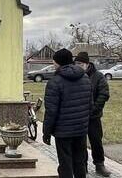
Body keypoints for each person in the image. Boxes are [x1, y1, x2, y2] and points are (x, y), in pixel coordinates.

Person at [43, 48, 91, 178]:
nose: (53, 64)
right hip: (81, 129)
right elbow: (89, 105)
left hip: (63, 131)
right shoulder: (85, 78)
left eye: (54, 61)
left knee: (65, 164)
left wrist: (46, 132)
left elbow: (51, 111)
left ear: (58, 63)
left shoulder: (55, 82)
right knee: (80, 162)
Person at [74, 51, 111, 177]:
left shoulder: (98, 76)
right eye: (76, 63)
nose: (78, 65)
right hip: (79, 116)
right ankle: (82, 166)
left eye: (80, 63)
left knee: (96, 141)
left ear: (87, 64)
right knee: (80, 143)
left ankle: (99, 164)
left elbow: (104, 94)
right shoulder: (75, 76)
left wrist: (95, 108)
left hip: (93, 116)